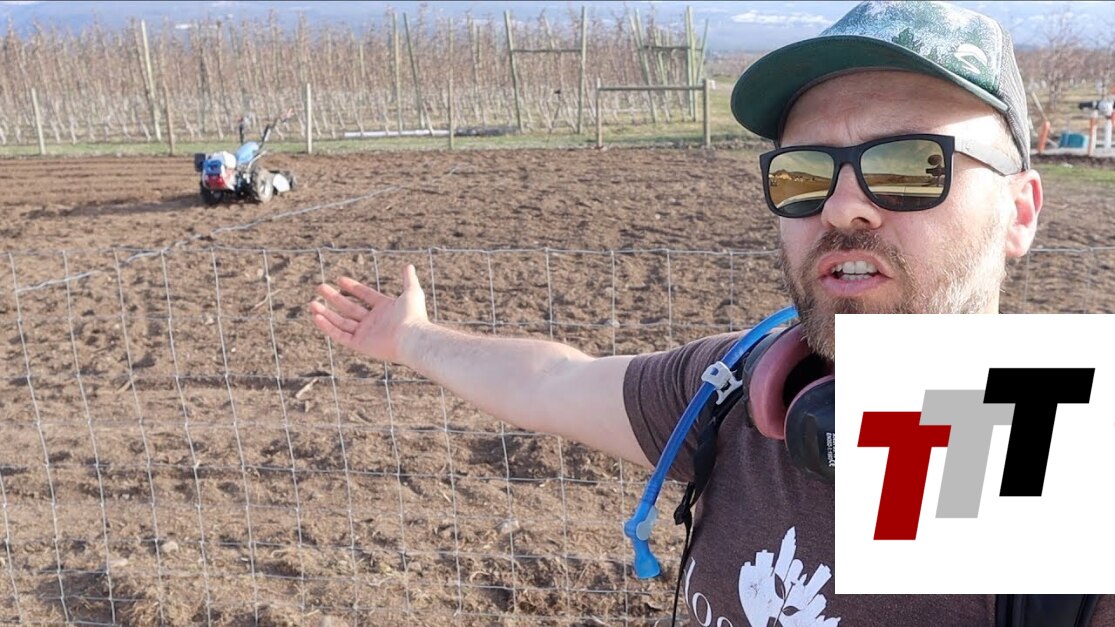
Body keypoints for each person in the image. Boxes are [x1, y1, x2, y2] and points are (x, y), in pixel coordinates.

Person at [309, 2, 1112, 625]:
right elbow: (552, 382)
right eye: (803, 175)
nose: (842, 206)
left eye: (909, 165)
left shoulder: (1070, 476)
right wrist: (410, 337)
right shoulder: (735, 388)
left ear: (1019, 211)